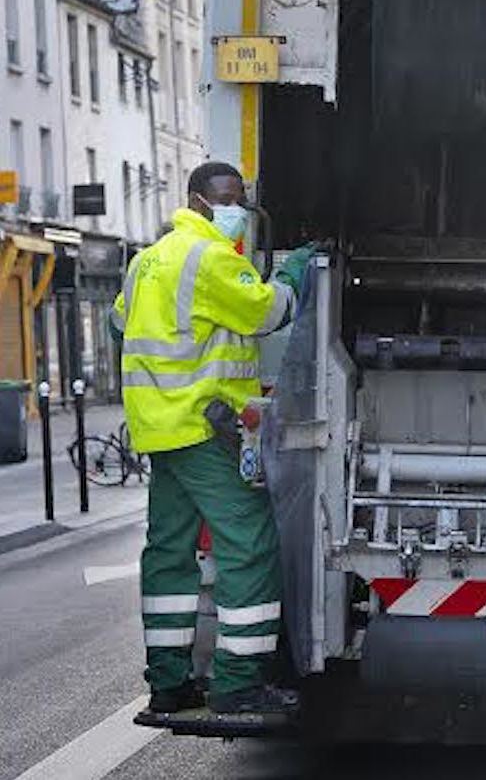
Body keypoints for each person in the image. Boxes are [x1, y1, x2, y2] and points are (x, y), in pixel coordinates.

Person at [110, 162, 314, 718]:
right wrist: (296, 273)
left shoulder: (147, 260)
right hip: (204, 428)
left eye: (243, 201)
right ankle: (238, 683)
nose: (237, 210)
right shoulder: (211, 258)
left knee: (169, 554)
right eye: (229, 199)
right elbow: (266, 311)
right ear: (198, 202)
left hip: (160, 430)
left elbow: (118, 324)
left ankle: (170, 683)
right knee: (248, 545)